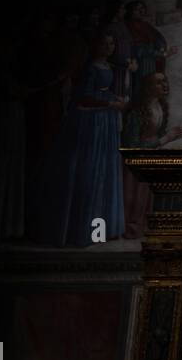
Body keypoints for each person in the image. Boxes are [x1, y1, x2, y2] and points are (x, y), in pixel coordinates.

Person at [27, 33, 127, 247]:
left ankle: (101, 229)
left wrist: (115, 99)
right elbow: (83, 97)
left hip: (104, 121)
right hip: (91, 123)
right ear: (96, 45)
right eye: (104, 42)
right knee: (88, 169)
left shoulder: (107, 66)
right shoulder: (90, 68)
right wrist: (111, 104)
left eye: (112, 43)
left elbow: (103, 91)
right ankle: (78, 230)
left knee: (103, 170)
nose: (109, 47)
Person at [121, 72, 182, 237]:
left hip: (151, 156)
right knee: (134, 196)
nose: (164, 85)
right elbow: (132, 145)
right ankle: (130, 229)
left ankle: (143, 226)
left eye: (165, 81)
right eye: (158, 82)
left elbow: (158, 135)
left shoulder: (161, 106)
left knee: (147, 196)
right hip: (136, 161)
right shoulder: (137, 111)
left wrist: (173, 136)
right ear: (148, 87)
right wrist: (167, 138)